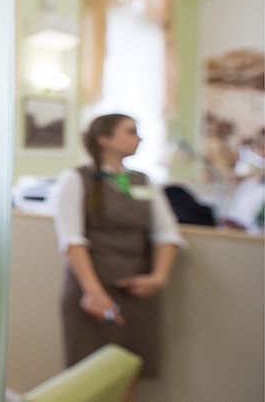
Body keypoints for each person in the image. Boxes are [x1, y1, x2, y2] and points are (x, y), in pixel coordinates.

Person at [51, 113, 186, 382]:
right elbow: (72, 240)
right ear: (104, 139)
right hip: (94, 292)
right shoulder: (77, 179)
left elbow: (167, 233)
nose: (139, 138)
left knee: (130, 372)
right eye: (130, 131)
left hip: (138, 292)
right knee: (91, 377)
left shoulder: (143, 181)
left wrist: (159, 278)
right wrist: (94, 292)